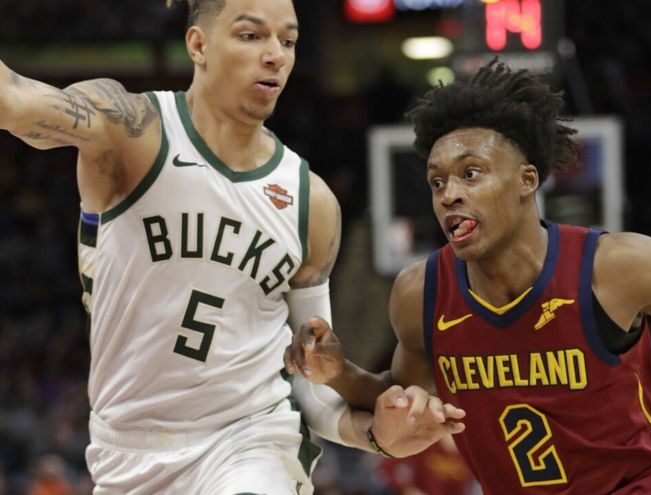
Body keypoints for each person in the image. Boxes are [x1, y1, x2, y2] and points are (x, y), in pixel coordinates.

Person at [286, 60, 651, 494]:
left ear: (527, 180)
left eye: (471, 173)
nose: (450, 194)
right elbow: (403, 400)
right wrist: (339, 373)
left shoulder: (618, 267)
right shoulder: (420, 292)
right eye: (437, 181)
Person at [0, 0, 464, 494]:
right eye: (251, 35)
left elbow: (310, 381)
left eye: (288, 41)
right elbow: (13, 101)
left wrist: (375, 435)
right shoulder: (129, 128)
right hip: (125, 453)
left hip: (252, 444)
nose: (275, 55)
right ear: (198, 45)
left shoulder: (311, 201)